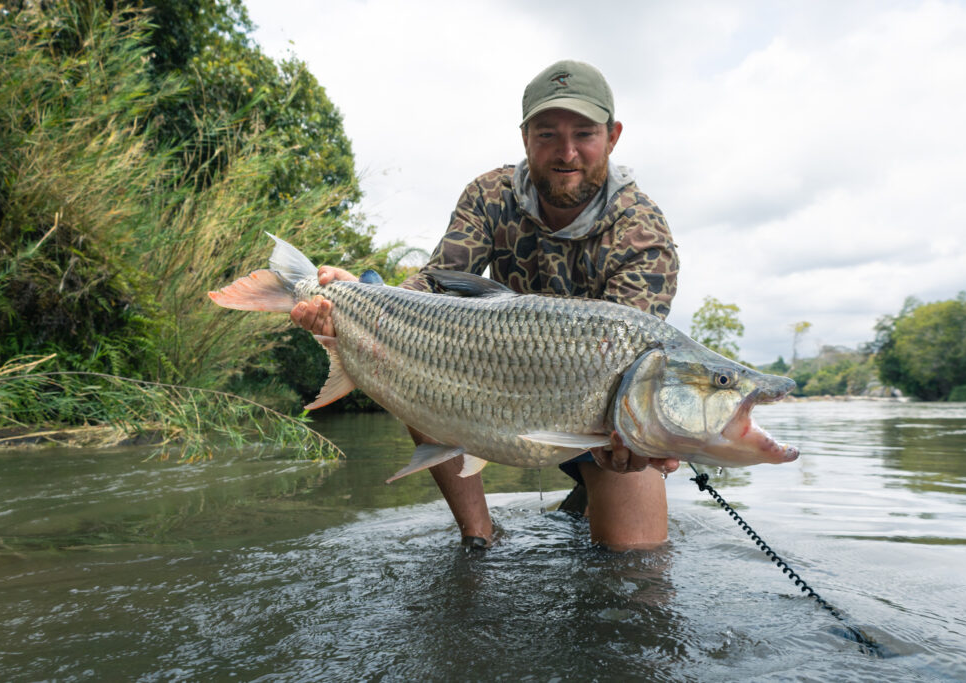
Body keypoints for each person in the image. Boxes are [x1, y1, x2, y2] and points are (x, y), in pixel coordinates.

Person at [290, 60, 681, 550]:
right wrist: (363, 302)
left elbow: (634, 360)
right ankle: (479, 539)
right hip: (493, 386)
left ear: (613, 136)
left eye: (584, 133)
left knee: (637, 563)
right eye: (547, 135)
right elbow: (431, 289)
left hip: (592, 408)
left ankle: (590, 498)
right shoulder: (488, 195)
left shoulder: (644, 233)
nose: (567, 152)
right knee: (417, 355)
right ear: (524, 138)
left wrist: (646, 437)